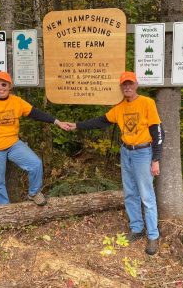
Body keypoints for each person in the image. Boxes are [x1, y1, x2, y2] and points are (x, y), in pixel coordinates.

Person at [66, 71, 165, 255]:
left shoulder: (147, 103)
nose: (127, 87)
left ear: (136, 84)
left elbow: (158, 132)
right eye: (124, 85)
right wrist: (77, 125)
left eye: (130, 83)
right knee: (130, 193)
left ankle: (152, 235)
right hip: (126, 151)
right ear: (121, 87)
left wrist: (156, 159)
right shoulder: (119, 108)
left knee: (146, 195)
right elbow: (101, 121)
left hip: (143, 153)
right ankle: (136, 228)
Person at [0, 71, 69, 205]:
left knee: (35, 164)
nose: (1, 87)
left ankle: (33, 193)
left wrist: (57, 121)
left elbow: (35, 113)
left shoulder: (16, 101)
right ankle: (5, 211)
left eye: (4, 84)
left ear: (9, 86)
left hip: (13, 144)